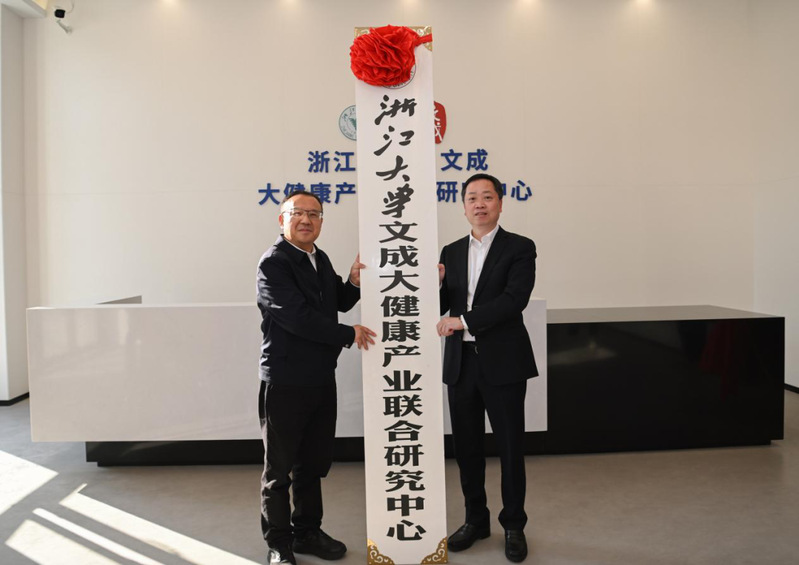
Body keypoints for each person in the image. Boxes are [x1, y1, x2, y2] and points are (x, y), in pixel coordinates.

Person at [257, 190, 376, 565]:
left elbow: (335, 301)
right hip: (285, 380)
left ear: (321, 221)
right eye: (297, 213)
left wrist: (353, 282)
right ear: (282, 220)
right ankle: (279, 544)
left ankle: (308, 532)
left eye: (314, 214)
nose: (306, 220)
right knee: (279, 472)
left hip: (321, 378)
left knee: (312, 464)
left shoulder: (318, 258)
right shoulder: (273, 263)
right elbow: (297, 317)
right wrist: (347, 334)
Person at [437, 173, 538, 563]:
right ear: (463, 206)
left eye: (487, 197)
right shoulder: (450, 251)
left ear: (500, 203)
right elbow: (441, 304)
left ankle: (514, 525)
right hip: (461, 364)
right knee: (466, 448)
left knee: (510, 447)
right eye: (472, 198)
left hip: (504, 362)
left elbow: (514, 300)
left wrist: (463, 321)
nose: (479, 204)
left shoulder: (520, 247)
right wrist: (435, 284)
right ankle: (475, 520)